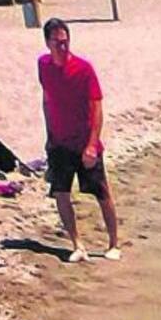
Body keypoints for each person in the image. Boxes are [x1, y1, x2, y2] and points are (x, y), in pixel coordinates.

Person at [36, 19, 121, 262]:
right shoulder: (43, 65)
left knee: (101, 192)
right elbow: (47, 99)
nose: (63, 48)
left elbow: (97, 108)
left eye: (65, 42)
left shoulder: (84, 69)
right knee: (61, 192)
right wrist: (49, 134)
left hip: (85, 142)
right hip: (59, 143)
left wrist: (92, 144)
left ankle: (114, 243)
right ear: (48, 43)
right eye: (57, 43)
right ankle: (77, 244)